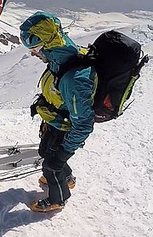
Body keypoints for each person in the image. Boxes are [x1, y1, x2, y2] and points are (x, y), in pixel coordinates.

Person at [20, 11, 96, 213]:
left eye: (35, 48)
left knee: (51, 165)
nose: (33, 53)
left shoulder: (74, 78)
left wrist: (65, 153)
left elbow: (84, 123)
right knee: (45, 152)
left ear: (47, 44)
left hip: (66, 128)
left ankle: (58, 199)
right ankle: (66, 177)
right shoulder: (59, 56)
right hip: (56, 121)